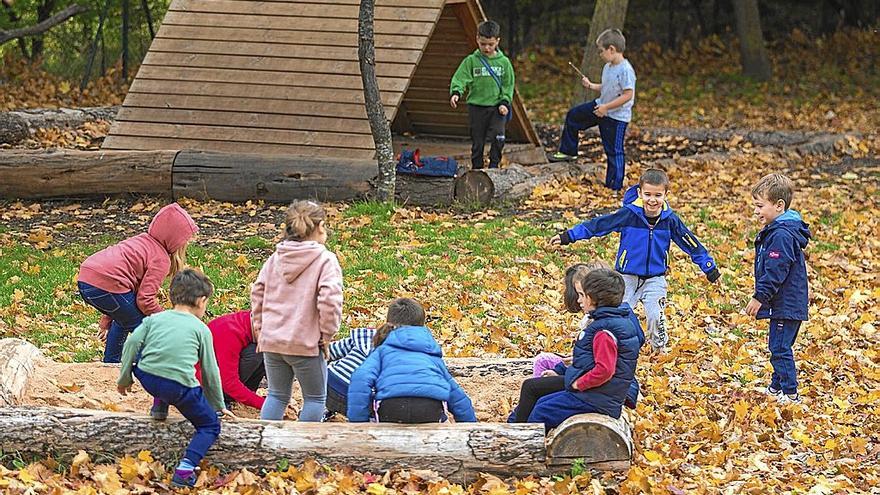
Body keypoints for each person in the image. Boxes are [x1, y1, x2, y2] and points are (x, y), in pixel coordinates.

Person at [549, 168, 720, 351]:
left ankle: (659, 350)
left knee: (656, 316)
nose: (652, 200)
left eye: (658, 195)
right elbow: (598, 226)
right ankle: (594, 338)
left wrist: (709, 267)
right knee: (613, 311)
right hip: (626, 278)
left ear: (666, 195)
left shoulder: (670, 221)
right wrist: (569, 236)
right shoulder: (628, 215)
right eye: (647, 194)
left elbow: (690, 243)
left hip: (655, 278)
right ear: (639, 193)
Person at [117, 269, 233, 488]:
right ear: (201, 300)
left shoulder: (154, 319)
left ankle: (160, 407)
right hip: (178, 387)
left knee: (151, 358)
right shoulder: (201, 329)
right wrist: (217, 405)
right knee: (209, 426)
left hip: (147, 378)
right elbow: (210, 370)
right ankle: (185, 469)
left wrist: (125, 378)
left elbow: (132, 344)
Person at [512, 269, 642, 430]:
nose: (579, 300)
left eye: (582, 295)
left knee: (541, 412)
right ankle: (517, 432)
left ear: (593, 298)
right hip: (599, 394)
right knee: (541, 402)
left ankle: (525, 446)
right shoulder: (611, 322)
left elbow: (605, 370)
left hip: (596, 398)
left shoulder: (604, 331)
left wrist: (578, 384)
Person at [251, 200, 343, 422]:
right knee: (314, 399)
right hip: (305, 344)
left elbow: (258, 293)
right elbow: (330, 300)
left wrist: (260, 328)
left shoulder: (275, 258)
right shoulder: (325, 260)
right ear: (320, 226)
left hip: (272, 341)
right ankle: (304, 451)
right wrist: (326, 335)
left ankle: (267, 444)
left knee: (276, 395)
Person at [77, 203, 197, 363]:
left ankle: (111, 364)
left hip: (86, 278)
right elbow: (145, 300)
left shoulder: (141, 241)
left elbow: (123, 298)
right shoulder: (160, 259)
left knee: (124, 319)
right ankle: (150, 371)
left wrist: (107, 319)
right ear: (174, 240)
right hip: (107, 286)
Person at [347, 298, 477, 424]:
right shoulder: (431, 354)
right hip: (429, 407)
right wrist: (470, 429)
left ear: (389, 324)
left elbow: (361, 377)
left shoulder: (383, 351)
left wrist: (358, 422)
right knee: (441, 422)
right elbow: (457, 396)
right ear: (422, 325)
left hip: (392, 407)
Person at [745, 173, 810, 405]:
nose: (756, 211)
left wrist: (759, 297)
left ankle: (790, 393)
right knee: (780, 345)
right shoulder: (779, 230)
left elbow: (775, 271)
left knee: (779, 347)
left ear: (779, 205)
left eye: (760, 206)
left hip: (786, 303)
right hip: (786, 303)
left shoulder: (782, 235)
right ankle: (776, 386)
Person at [548, 28, 636, 191]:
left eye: (601, 51)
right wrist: (592, 86)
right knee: (573, 116)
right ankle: (569, 151)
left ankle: (614, 186)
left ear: (612, 49)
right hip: (600, 106)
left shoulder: (626, 70)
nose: (600, 54)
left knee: (614, 151)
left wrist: (606, 107)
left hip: (616, 117)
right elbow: (608, 87)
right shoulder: (608, 67)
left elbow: (627, 95)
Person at [449, 20, 515, 170]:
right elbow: (460, 78)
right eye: (483, 44)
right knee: (477, 142)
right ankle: (477, 167)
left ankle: (493, 165)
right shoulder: (471, 61)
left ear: (498, 41)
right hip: (476, 107)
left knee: (499, 137)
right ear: (477, 39)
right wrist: (456, 93)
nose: (487, 48)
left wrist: (505, 102)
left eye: (491, 45)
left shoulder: (504, 63)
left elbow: (508, 85)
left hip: (497, 107)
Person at [196, 310, 266, 411]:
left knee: (263, 351)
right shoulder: (229, 332)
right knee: (257, 352)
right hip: (202, 384)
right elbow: (228, 382)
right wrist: (264, 405)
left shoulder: (249, 321)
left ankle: (244, 395)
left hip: (217, 373)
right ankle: (223, 399)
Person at [324, 327, 377, 420]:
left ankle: (322, 411)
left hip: (329, 384)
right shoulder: (396, 353)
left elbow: (330, 351)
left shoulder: (366, 336)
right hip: (356, 402)